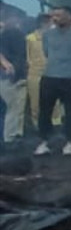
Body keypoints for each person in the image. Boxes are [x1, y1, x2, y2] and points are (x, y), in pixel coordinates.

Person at [34, 6, 71, 156]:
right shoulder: (47, 35)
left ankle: (70, 142)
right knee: (45, 112)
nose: (55, 18)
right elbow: (46, 52)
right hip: (49, 77)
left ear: (69, 16)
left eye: (58, 15)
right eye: (53, 16)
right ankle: (44, 141)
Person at [0, 9, 26, 143]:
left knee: (15, 107)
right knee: (12, 107)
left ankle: (14, 135)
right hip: (8, 76)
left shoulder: (15, 33)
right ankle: (10, 137)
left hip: (15, 75)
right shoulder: (9, 34)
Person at [23, 13, 48, 132]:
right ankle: (37, 127)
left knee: (55, 103)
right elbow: (27, 57)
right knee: (36, 102)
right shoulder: (30, 38)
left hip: (52, 73)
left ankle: (55, 125)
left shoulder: (54, 38)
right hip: (35, 74)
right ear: (44, 23)